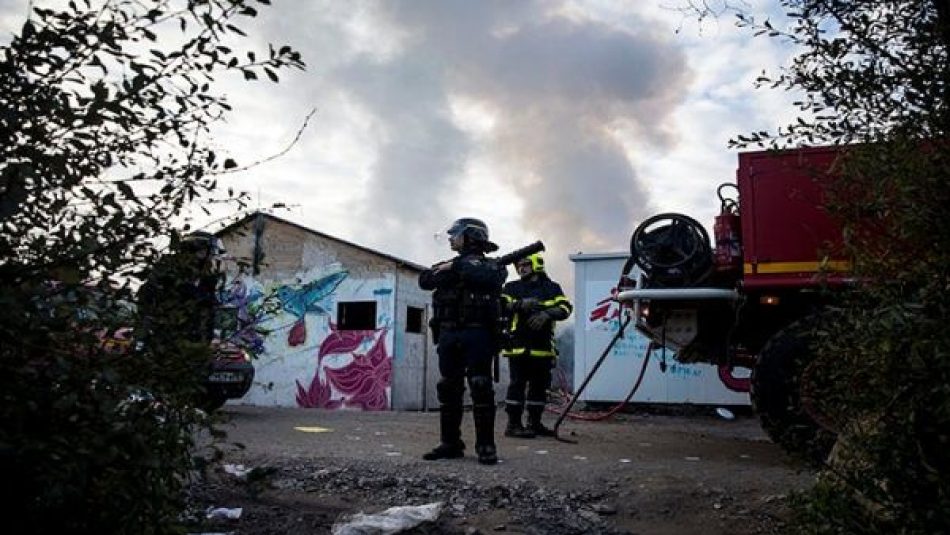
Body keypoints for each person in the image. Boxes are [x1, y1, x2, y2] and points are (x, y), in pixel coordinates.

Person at [419, 218, 507, 465]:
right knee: (448, 388)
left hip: (478, 333)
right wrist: (451, 268)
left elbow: (487, 277)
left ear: (470, 236)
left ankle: (486, 446)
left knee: (480, 386)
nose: (450, 238)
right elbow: (425, 280)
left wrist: (455, 269)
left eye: (455, 234)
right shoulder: (449, 265)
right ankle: (450, 443)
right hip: (448, 333)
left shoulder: (492, 265)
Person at [501, 253, 573, 438]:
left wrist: (547, 314)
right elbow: (500, 305)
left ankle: (535, 423)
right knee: (517, 385)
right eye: (518, 266)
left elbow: (565, 308)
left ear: (537, 265)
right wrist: (519, 305)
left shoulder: (551, 288)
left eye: (525, 264)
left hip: (542, 348)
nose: (521, 269)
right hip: (518, 346)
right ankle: (513, 424)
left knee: (539, 387)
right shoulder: (511, 287)